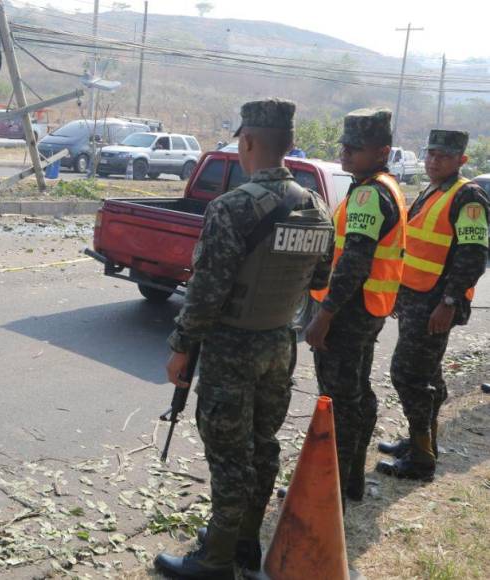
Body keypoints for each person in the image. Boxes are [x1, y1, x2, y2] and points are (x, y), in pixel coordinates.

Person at [154, 99, 333, 579]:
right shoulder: (318, 209)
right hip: (279, 345)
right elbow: (321, 276)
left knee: (231, 458)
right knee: (262, 446)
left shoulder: (231, 207)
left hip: (232, 348)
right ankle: (245, 545)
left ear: (248, 141)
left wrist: (181, 347)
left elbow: (206, 292)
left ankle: (214, 561)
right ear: (290, 144)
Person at [305, 109, 407, 503]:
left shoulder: (368, 194)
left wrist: (323, 316)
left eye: (355, 148)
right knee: (357, 396)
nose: (345, 154)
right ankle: (349, 481)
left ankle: (328, 486)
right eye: (344, 146)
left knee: (337, 402)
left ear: (382, 150)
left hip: (347, 313)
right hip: (369, 310)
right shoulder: (384, 186)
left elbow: (354, 263)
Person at [376, 130, 490, 481]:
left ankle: (422, 461)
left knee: (407, 375)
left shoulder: (468, 196)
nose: (433, 160)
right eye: (430, 154)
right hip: (415, 296)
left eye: (443, 155)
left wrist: (450, 302)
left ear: (461, 160)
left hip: (436, 303)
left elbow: (473, 255)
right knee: (429, 375)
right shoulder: (432, 190)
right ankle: (420, 441)